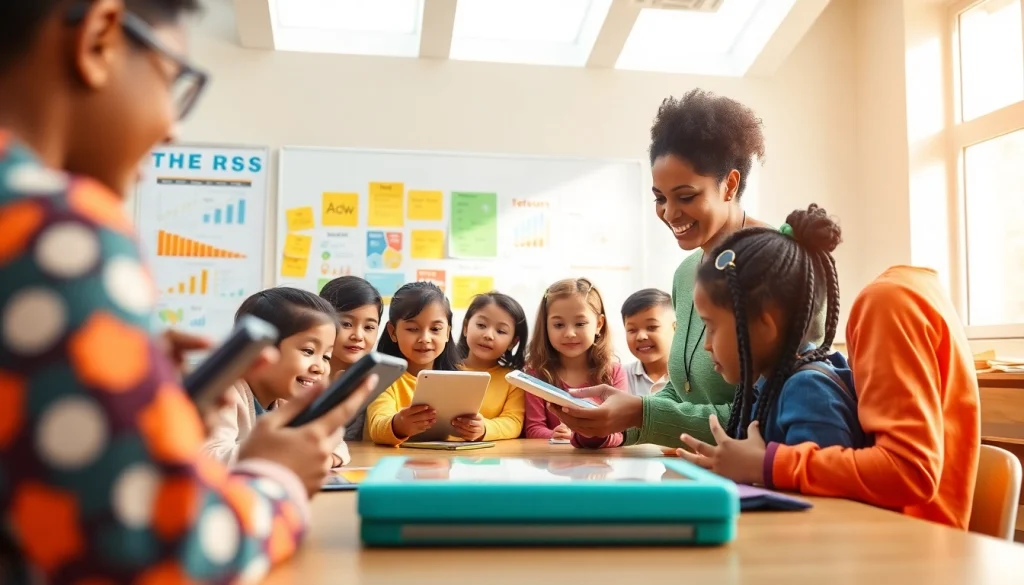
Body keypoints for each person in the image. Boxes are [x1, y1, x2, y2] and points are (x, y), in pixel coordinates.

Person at [0, 0, 377, 581]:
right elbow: (159, 555)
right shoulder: (53, 224)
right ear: (100, 37)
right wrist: (274, 478)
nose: (172, 127)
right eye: (174, 80)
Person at [552, 89, 825, 447]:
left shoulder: (780, 266)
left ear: (729, 184)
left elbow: (768, 412)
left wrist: (640, 415)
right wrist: (612, 427)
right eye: (660, 198)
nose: (669, 213)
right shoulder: (687, 271)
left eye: (686, 196)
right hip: (691, 470)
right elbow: (683, 397)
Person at [678, 266, 981, 529]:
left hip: (902, 543)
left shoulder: (888, 302)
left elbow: (908, 472)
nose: (705, 344)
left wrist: (766, 465)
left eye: (712, 326)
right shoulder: (903, 293)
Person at [669, 205, 864, 460]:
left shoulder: (809, 391)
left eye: (713, 327)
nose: (707, 344)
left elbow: (822, 491)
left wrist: (757, 469)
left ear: (765, 326)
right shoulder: (765, 384)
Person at [204, 288, 352, 467]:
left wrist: (327, 458)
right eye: (308, 351)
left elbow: (334, 440)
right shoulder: (224, 392)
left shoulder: (289, 400)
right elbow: (210, 457)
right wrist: (285, 448)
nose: (320, 367)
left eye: (326, 357)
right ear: (260, 352)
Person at [522, 278, 626, 440]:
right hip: (552, 461)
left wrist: (581, 436)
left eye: (580, 324)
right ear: (545, 326)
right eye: (558, 325)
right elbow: (534, 428)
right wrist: (555, 435)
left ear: (599, 324)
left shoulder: (614, 372)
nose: (570, 333)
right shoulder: (535, 373)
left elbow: (620, 431)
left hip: (602, 462)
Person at [364, 282, 459, 445]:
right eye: (413, 329)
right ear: (393, 332)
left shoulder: (460, 380)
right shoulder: (382, 378)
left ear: (448, 332)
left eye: (435, 329)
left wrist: (475, 429)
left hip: (442, 465)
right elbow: (377, 427)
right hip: (391, 464)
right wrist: (399, 425)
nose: (425, 338)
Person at [455, 292, 529, 440]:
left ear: (513, 343)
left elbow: (513, 422)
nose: (488, 335)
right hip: (438, 455)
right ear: (465, 328)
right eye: (481, 325)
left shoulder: (513, 381)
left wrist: (484, 429)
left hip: (492, 457)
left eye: (501, 331)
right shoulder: (442, 369)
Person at [319, 276, 383, 440]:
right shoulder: (307, 377)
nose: (358, 336)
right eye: (346, 324)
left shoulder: (377, 382)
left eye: (369, 327)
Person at [620, 288, 675, 396]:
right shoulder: (620, 377)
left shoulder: (691, 377)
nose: (641, 337)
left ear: (675, 328)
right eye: (632, 330)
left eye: (652, 327)